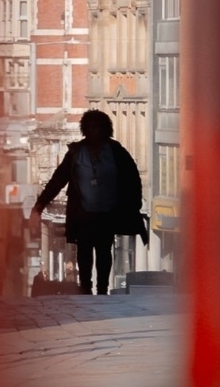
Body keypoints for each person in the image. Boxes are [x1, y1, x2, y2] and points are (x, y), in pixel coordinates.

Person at [31, 109, 147, 296]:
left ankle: (102, 290)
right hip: (83, 214)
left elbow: (132, 178)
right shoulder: (76, 153)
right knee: (84, 252)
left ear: (105, 129)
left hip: (107, 213)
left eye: (97, 126)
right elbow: (57, 180)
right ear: (85, 128)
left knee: (104, 251)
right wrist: (40, 205)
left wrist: (134, 204)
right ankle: (86, 288)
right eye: (90, 126)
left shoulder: (116, 151)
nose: (94, 131)